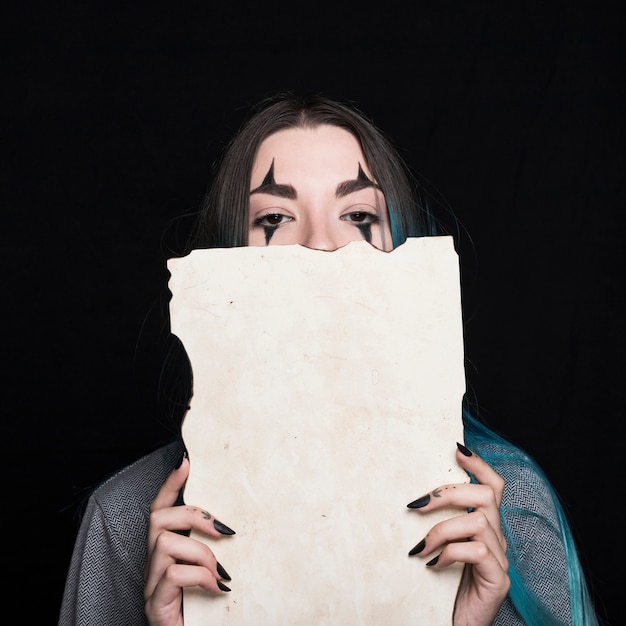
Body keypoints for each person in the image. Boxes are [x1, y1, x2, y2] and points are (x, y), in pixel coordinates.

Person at [58, 93, 599, 626]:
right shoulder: (127, 519)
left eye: (358, 214)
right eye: (274, 219)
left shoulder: (509, 510)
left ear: (402, 246)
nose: (321, 244)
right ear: (222, 257)